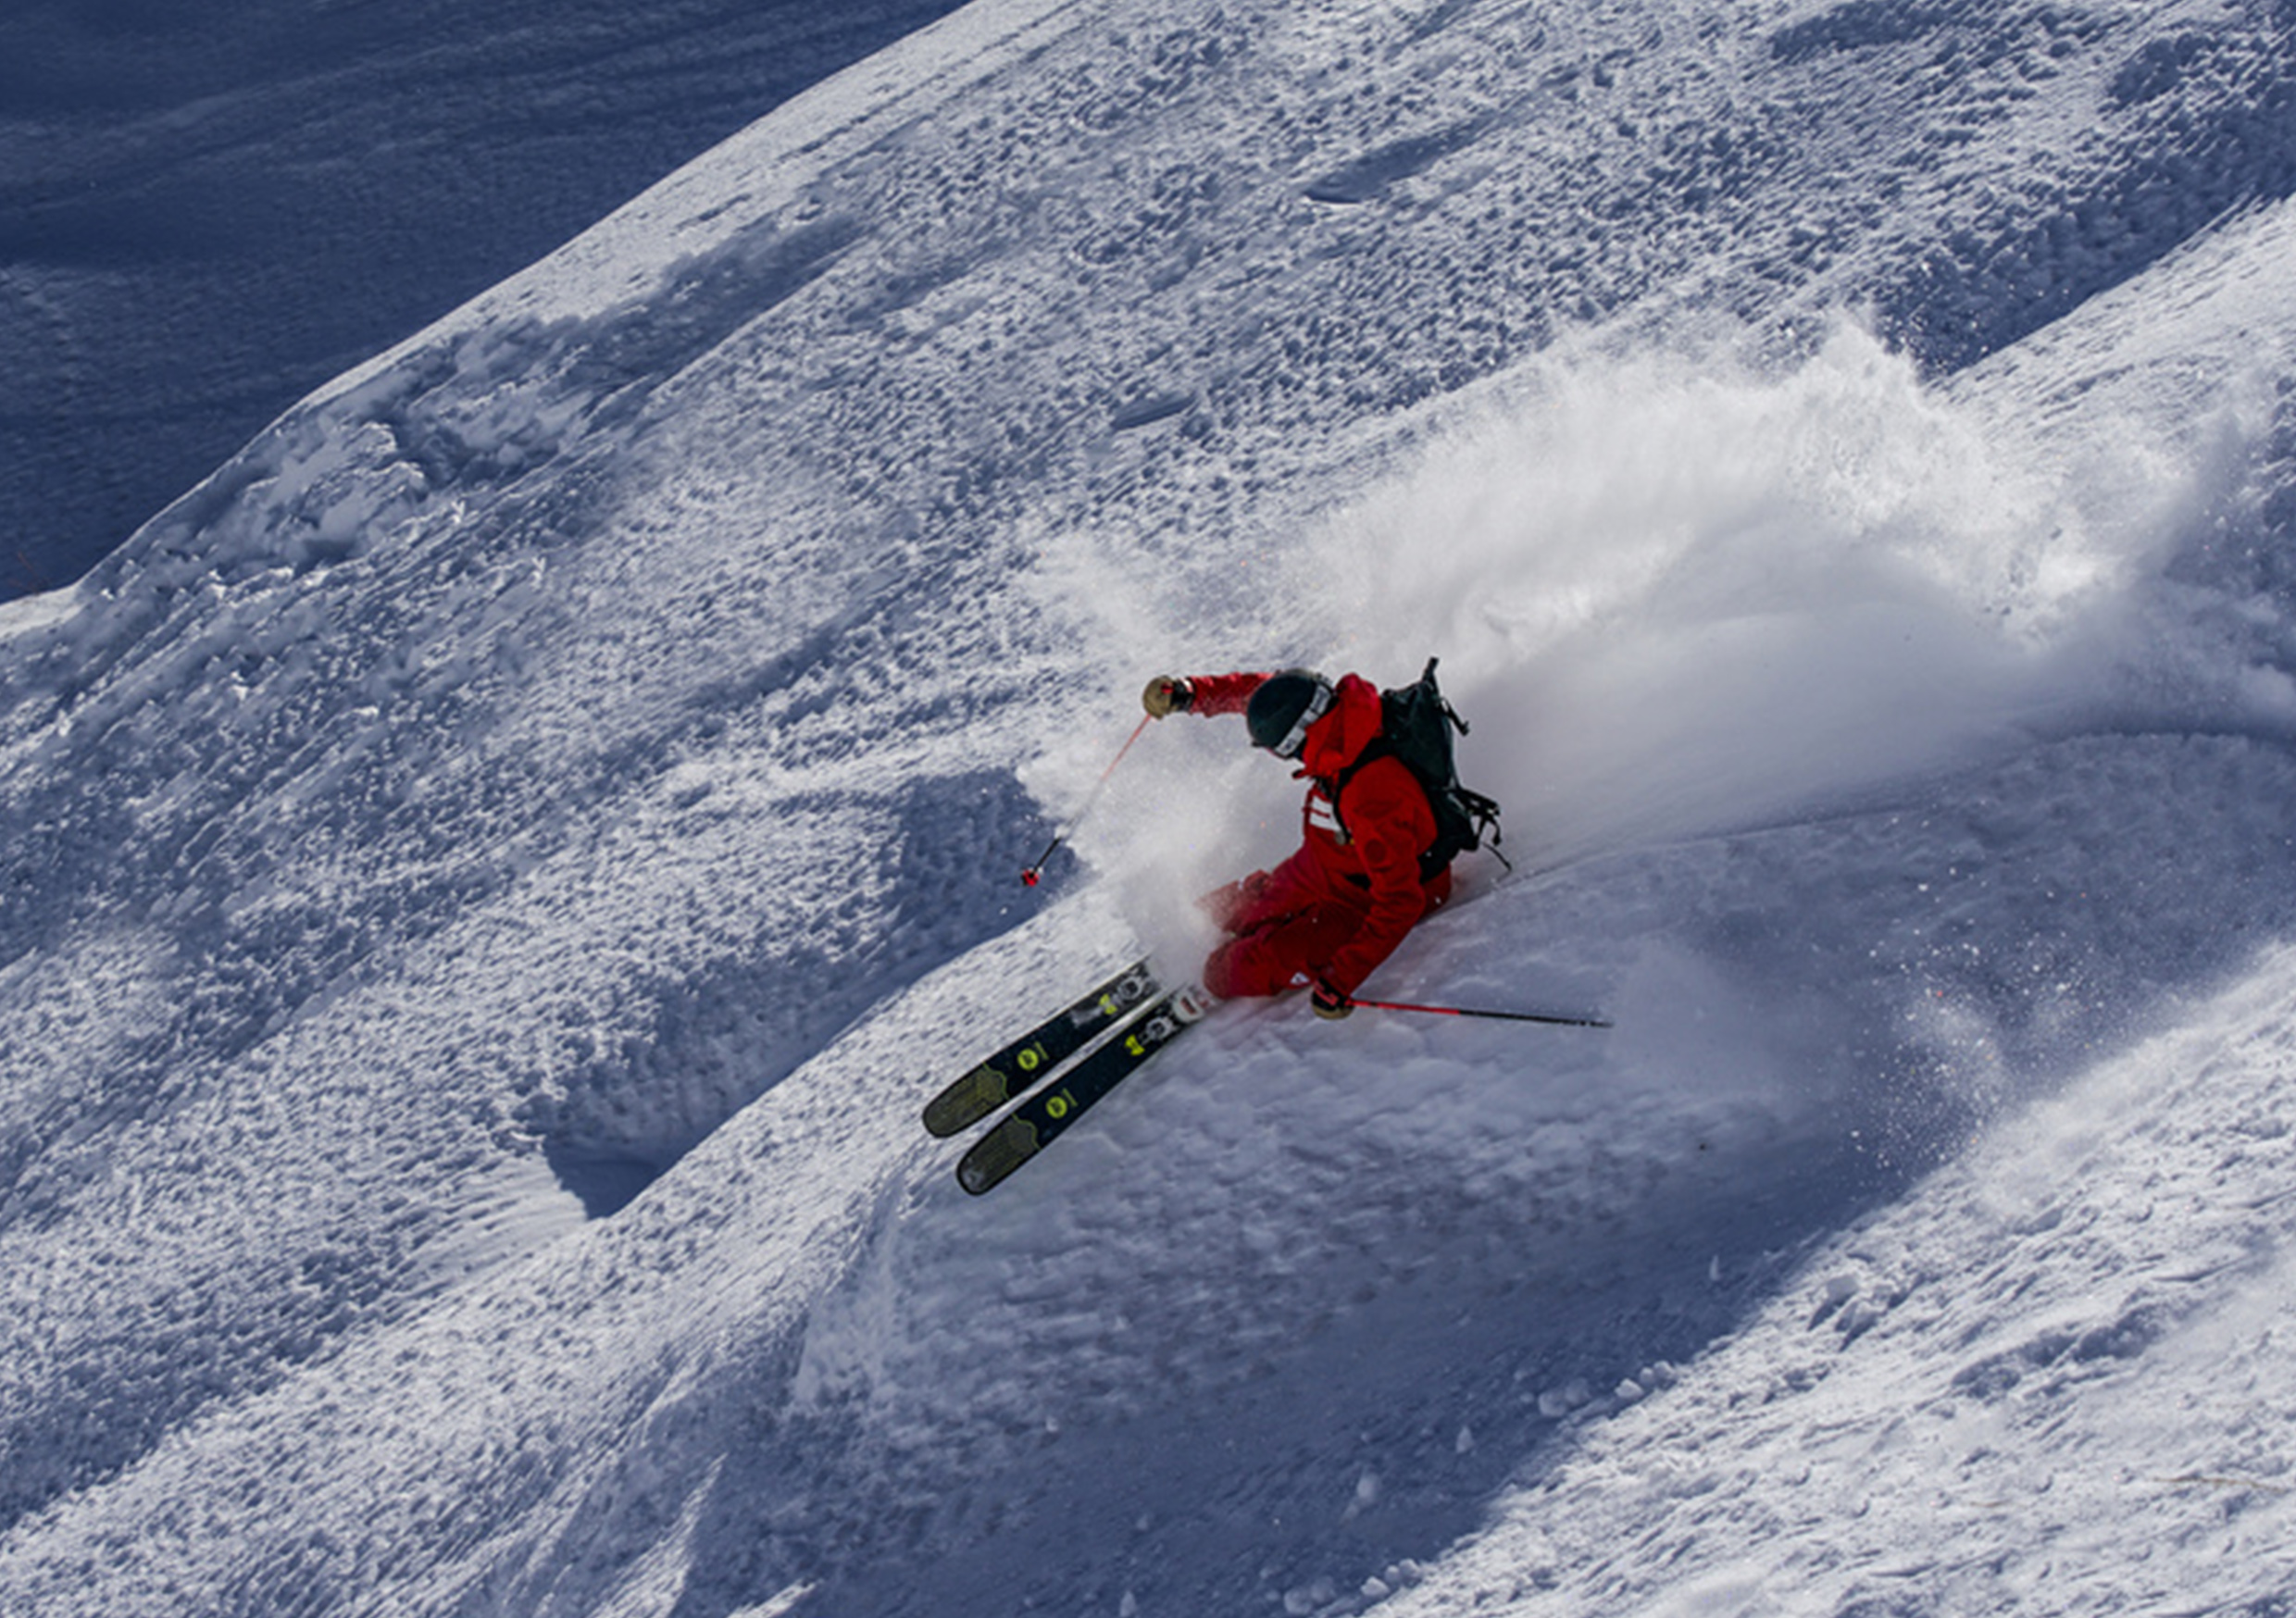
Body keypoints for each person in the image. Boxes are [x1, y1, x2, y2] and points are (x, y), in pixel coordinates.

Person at [1141, 667, 1454, 1019]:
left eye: (1280, 749)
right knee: (1229, 907)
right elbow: (1265, 697)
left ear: (1295, 742)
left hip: (1361, 900)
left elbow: (1400, 901)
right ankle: (1206, 946)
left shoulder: (1371, 797)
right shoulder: (1335, 717)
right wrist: (1190, 693)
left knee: (1268, 958)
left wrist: (1340, 981)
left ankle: (1214, 981)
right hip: (1324, 864)